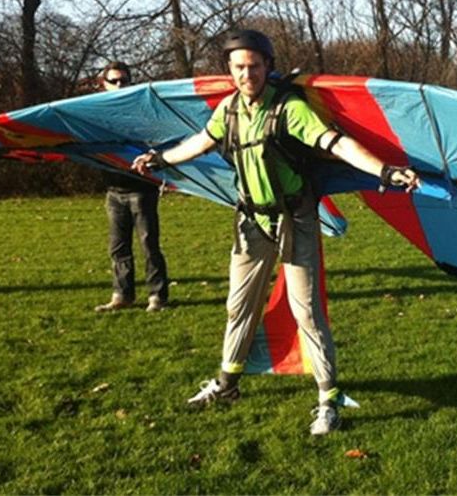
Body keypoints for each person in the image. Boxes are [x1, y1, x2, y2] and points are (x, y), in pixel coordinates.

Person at [133, 30, 419, 435]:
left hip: (294, 220)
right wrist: (159, 159)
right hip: (250, 222)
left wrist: (386, 171)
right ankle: (227, 384)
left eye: (254, 66)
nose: (247, 74)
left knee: (307, 312)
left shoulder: (290, 108)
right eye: (239, 67)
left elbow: (338, 145)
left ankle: (328, 400)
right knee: (239, 306)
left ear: (268, 66)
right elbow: (199, 143)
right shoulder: (228, 109)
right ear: (229, 71)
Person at [94, 61, 170, 313]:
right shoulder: (95, 114)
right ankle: (122, 295)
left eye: (124, 81)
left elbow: (159, 138)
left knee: (149, 245)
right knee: (118, 247)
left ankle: (157, 297)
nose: (119, 85)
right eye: (113, 81)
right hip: (113, 191)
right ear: (103, 85)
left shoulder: (140, 112)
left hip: (141, 189)